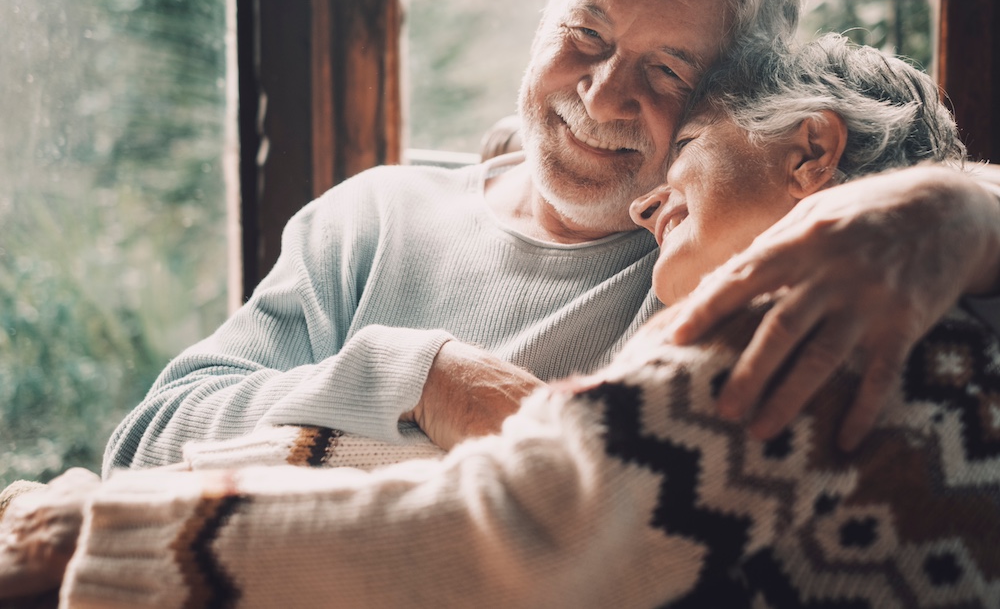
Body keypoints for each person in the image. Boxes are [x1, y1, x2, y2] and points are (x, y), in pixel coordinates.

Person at [5, 34, 997, 609]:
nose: (647, 206)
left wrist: (93, 530)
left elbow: (496, 530)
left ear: (811, 150)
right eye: (584, 38)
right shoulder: (959, 310)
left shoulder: (781, 343)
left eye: (684, 137)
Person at [102, 0, 1000, 480]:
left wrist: (952, 208)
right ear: (546, 13)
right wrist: (421, 378)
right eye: (587, 33)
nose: (602, 93)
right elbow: (143, 446)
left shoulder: (711, 258)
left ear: (725, 99)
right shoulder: (371, 217)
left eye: (667, 72)